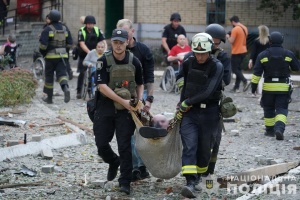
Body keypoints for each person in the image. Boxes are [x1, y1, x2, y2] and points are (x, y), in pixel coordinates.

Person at [93, 29, 144, 195]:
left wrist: (138, 101)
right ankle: (113, 162)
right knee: (101, 144)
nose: (118, 45)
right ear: (112, 42)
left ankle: (125, 182)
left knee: (124, 146)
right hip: (105, 107)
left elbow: (140, 83)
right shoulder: (103, 61)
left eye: (121, 42)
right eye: (115, 42)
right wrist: (123, 101)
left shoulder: (134, 61)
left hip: (126, 111)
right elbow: (102, 86)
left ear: (127, 42)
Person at [175, 32, 224, 198]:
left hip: (209, 112)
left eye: (203, 53)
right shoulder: (189, 62)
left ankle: (201, 175)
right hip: (190, 113)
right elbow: (182, 79)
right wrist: (181, 103)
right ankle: (190, 181)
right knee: (189, 145)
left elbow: (208, 91)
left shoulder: (217, 66)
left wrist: (187, 102)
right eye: (197, 53)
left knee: (204, 148)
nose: (200, 57)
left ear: (210, 51)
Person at [116, 18, 155, 182]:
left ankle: (140, 166)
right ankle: (134, 167)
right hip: (121, 97)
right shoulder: (116, 52)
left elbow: (150, 77)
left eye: (126, 32)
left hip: (140, 96)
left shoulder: (143, 50)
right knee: (127, 133)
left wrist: (148, 100)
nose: (123, 37)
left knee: (140, 132)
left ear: (132, 32)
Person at [250, 31, 300, 140]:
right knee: (282, 109)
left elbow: (256, 74)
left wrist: (253, 88)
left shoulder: (262, 55)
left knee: (268, 109)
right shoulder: (288, 54)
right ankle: (279, 129)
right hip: (283, 88)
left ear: (270, 41)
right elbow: (296, 67)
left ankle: (269, 131)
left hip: (268, 88)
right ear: (282, 40)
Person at [39, 9, 73, 104]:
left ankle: (49, 98)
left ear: (49, 18)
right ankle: (65, 87)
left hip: (50, 57)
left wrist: (44, 53)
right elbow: (70, 43)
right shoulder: (65, 28)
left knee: (49, 77)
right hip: (62, 56)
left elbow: (43, 46)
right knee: (62, 75)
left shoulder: (47, 29)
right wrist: (64, 51)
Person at [76, 15, 106, 99]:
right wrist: (90, 53)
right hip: (84, 54)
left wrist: (104, 50)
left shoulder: (98, 30)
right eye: (88, 24)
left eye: (92, 24)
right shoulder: (81, 31)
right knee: (82, 72)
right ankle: (79, 91)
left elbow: (103, 41)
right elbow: (82, 44)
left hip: (96, 54)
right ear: (86, 24)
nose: (90, 25)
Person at [226, 15, 249, 93]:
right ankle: (236, 88)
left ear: (233, 22)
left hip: (237, 51)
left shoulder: (235, 29)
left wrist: (227, 36)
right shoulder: (244, 28)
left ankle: (245, 81)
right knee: (238, 69)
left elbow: (231, 41)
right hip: (244, 51)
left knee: (235, 69)